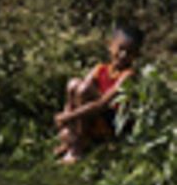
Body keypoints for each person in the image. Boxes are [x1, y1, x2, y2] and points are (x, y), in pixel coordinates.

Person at [55, 25, 144, 164]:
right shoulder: (100, 68)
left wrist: (68, 117)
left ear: (136, 55)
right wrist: (66, 123)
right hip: (92, 116)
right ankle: (73, 139)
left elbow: (102, 104)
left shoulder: (128, 75)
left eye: (130, 52)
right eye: (120, 49)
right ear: (110, 46)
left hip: (111, 120)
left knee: (84, 90)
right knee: (74, 83)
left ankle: (77, 148)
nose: (123, 55)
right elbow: (76, 92)